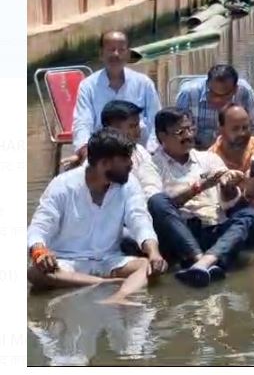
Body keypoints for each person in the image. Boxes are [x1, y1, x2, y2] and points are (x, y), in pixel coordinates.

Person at [27, 128, 166, 305]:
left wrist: (154, 253)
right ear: (104, 163)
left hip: (109, 261)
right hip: (67, 264)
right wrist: (40, 251)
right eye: (125, 160)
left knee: (146, 266)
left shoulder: (129, 183)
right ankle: (105, 284)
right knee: (34, 273)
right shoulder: (63, 185)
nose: (131, 164)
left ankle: (119, 296)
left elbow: (140, 220)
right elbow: (38, 228)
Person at [148, 108, 254, 288]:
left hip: (212, 227)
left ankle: (204, 263)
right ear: (162, 136)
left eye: (190, 129)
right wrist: (198, 187)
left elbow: (227, 202)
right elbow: (158, 206)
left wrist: (228, 187)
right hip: (179, 234)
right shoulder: (151, 165)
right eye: (180, 132)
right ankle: (200, 260)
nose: (188, 136)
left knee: (250, 214)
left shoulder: (208, 158)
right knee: (157, 201)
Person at [71, 31, 162, 162]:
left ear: (129, 54)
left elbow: (156, 121)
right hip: (102, 155)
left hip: (141, 152)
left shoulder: (144, 83)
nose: (116, 54)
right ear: (101, 54)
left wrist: (151, 152)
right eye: (111, 50)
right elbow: (82, 123)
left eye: (121, 50)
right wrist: (85, 152)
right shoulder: (88, 86)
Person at [208, 103, 254, 246]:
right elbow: (218, 211)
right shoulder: (211, 158)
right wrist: (247, 192)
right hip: (233, 223)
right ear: (221, 129)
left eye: (245, 127)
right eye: (235, 129)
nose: (242, 133)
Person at [61, 100, 162, 199]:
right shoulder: (97, 157)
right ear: (113, 129)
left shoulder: (139, 152)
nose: (138, 130)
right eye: (132, 126)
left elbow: (152, 185)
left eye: (137, 125)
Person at [175, 64, 254, 150]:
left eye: (225, 95)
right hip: (198, 152)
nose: (218, 100)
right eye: (213, 94)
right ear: (207, 85)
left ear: (235, 90)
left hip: (234, 151)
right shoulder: (188, 94)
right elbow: (179, 134)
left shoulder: (245, 92)